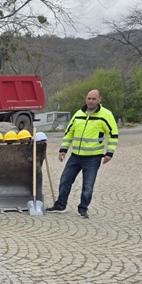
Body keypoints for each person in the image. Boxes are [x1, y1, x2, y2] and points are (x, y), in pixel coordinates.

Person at [46, 89, 118, 219]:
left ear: (99, 99)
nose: (90, 101)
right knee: (65, 180)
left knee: (88, 186)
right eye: (89, 98)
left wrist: (109, 153)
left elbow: (113, 135)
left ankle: (83, 208)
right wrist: (63, 149)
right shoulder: (79, 114)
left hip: (93, 157)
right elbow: (69, 133)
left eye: (93, 99)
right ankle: (60, 205)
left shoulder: (106, 115)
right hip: (75, 156)